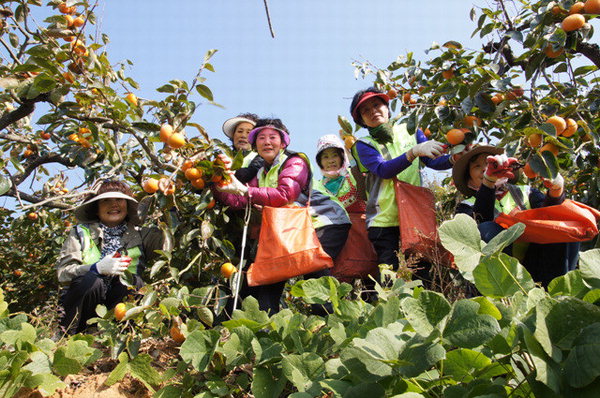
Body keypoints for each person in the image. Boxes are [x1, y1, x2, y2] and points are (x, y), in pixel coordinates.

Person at [214, 118, 351, 315]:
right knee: (271, 280)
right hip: (292, 230)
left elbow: (286, 194)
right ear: (255, 145)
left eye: (272, 137)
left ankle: (329, 329)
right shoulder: (262, 172)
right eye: (261, 138)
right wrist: (218, 180)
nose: (267, 142)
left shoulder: (295, 161)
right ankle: (269, 333)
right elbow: (239, 200)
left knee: (315, 277)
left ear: (283, 142)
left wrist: (244, 190)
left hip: (325, 223)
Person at [349, 87, 458, 274]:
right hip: (383, 219)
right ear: (361, 120)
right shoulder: (363, 145)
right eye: (365, 111)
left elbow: (432, 160)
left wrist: (454, 159)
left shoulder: (410, 130)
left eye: (376, 105)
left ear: (387, 107)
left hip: (414, 211)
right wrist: (413, 152)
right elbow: (383, 170)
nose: (373, 111)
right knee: (388, 270)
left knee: (423, 267)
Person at [452, 145, 580, 286]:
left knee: (565, 228)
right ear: (469, 182)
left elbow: (550, 216)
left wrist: (556, 191)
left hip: (535, 262)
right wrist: (489, 182)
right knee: (487, 229)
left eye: (490, 164)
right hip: (500, 271)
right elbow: (477, 228)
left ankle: (557, 289)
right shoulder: (467, 205)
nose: (484, 168)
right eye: (477, 166)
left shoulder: (526, 192)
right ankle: (501, 292)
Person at [56, 180, 166, 334]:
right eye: (106, 200)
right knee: (93, 281)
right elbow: (64, 273)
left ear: (127, 206)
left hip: (118, 307)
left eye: (119, 200)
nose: (114, 205)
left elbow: (170, 240)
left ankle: (119, 332)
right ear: (96, 208)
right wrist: (95, 269)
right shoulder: (80, 233)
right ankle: (70, 333)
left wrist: (169, 201)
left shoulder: (142, 234)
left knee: (134, 282)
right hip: (83, 308)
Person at [313, 134, 378, 285]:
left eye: (335, 155)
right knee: (342, 284)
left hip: (364, 238)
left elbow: (365, 193)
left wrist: (355, 160)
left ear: (343, 156)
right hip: (338, 243)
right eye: (325, 157)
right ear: (320, 162)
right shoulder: (318, 186)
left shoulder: (353, 176)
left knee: (370, 282)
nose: (330, 161)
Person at [222, 113, 264, 183]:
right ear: (233, 135)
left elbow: (247, 174)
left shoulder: (261, 157)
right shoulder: (224, 157)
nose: (243, 135)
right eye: (240, 131)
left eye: (248, 132)